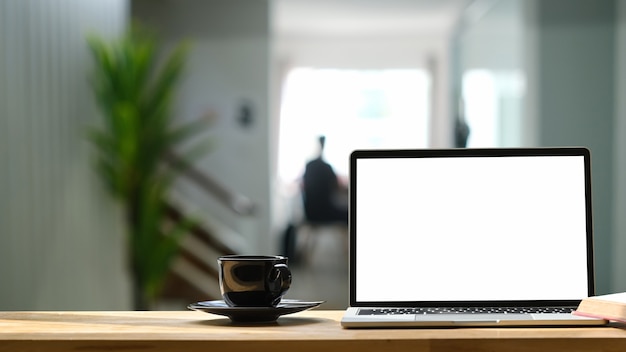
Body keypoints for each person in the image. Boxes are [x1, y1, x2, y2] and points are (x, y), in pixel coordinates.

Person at [301, 136, 348, 224]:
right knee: (352, 213)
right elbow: (337, 187)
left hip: (310, 214)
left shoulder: (309, 166)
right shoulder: (326, 167)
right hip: (324, 213)